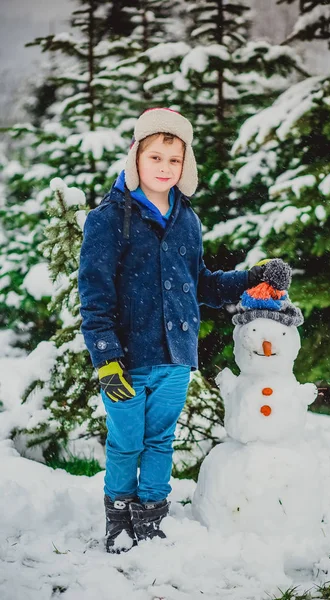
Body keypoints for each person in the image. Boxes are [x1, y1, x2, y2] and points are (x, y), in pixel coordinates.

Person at [78, 107, 268, 553]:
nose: (165, 168)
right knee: (127, 441)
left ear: (186, 164)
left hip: (175, 356)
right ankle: (118, 517)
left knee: (161, 439)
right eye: (155, 157)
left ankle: (151, 515)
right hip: (124, 359)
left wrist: (251, 278)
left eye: (174, 160)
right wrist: (106, 359)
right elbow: (95, 295)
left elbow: (199, 282)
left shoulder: (187, 219)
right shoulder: (108, 219)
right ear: (135, 158)